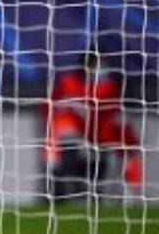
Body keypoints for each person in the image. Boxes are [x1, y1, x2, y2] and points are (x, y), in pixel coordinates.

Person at [45, 49, 143, 200]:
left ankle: (94, 193)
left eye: (103, 63)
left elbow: (111, 116)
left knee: (100, 163)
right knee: (69, 154)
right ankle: (58, 193)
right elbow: (57, 111)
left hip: (98, 136)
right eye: (98, 63)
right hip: (73, 134)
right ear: (88, 64)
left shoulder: (108, 88)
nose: (102, 67)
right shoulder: (68, 83)